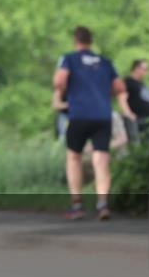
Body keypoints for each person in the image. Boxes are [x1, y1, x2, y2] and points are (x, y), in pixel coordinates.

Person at [54, 26, 135, 221]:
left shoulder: (69, 59)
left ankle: (77, 205)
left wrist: (64, 91)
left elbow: (59, 81)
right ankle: (102, 204)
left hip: (79, 114)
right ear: (91, 41)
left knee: (74, 157)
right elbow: (120, 87)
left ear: (76, 41)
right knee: (101, 160)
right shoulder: (105, 62)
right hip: (102, 115)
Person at [123, 59, 149, 143]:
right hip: (135, 120)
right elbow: (122, 99)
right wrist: (129, 114)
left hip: (147, 120)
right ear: (136, 68)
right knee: (136, 144)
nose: (146, 72)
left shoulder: (142, 83)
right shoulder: (127, 82)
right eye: (145, 69)